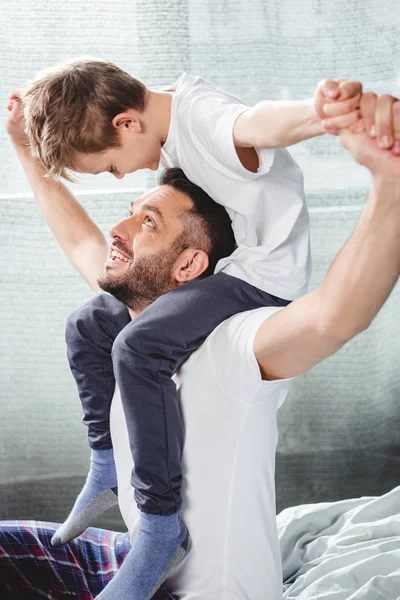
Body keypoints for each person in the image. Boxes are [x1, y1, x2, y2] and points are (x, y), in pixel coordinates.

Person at [2, 88, 400, 600]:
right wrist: (24, 149)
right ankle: (109, 476)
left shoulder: (230, 342)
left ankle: (159, 534)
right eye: (131, 211)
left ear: (189, 267)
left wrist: (388, 183)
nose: (116, 231)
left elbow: (334, 317)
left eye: (147, 223)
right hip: (130, 557)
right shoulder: (136, 313)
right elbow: (85, 245)